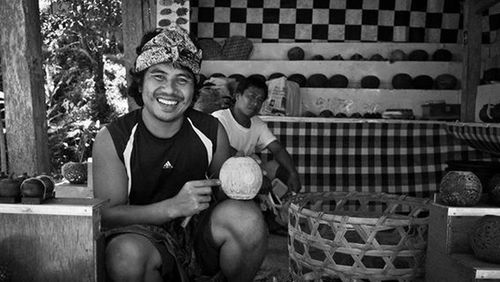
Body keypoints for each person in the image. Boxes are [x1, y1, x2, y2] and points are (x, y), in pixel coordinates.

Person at [92, 26, 267, 282]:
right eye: (158, 76)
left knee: (248, 219)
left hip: (197, 235)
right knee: (125, 256)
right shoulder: (113, 138)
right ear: (140, 83)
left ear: (193, 88)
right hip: (141, 237)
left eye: (182, 79)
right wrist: (172, 207)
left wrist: (247, 175)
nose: (170, 90)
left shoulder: (210, 130)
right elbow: (107, 215)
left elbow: (226, 193)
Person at [211, 77, 302, 234]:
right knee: (257, 175)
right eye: (251, 96)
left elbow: (278, 150)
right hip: (219, 179)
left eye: (260, 100)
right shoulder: (220, 118)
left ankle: (279, 216)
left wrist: (293, 173)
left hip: (246, 174)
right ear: (237, 96)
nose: (255, 103)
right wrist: (256, 174)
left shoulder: (257, 124)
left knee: (278, 169)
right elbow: (226, 151)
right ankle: (266, 218)